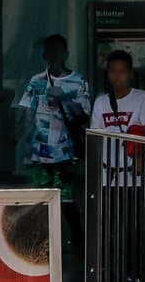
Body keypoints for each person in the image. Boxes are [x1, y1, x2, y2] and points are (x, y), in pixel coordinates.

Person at [93, 49, 145, 282]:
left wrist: (140, 161)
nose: (118, 77)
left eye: (122, 72)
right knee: (109, 227)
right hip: (108, 175)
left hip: (137, 175)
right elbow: (95, 137)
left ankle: (134, 273)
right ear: (108, 74)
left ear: (130, 74)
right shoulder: (101, 102)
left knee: (135, 227)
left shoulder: (142, 98)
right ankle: (109, 274)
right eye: (113, 72)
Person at [15, 34, 92, 191]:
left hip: (67, 153)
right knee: (41, 200)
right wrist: (17, 137)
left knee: (65, 200)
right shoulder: (37, 80)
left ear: (66, 54)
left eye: (59, 51)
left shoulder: (78, 81)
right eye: (51, 52)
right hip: (39, 154)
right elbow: (27, 114)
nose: (55, 56)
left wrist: (64, 99)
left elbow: (84, 116)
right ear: (45, 55)